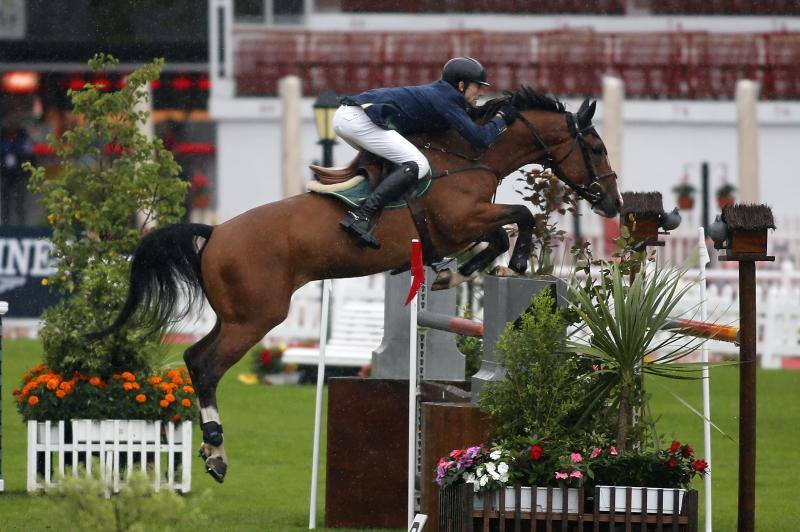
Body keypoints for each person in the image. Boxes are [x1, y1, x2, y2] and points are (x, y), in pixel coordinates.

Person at [333, 57, 519, 249]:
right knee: (418, 165)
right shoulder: (446, 100)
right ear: (461, 85)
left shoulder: (444, 96)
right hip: (356, 120)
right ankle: (361, 216)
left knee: (401, 164)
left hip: (350, 117)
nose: (481, 91)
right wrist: (501, 119)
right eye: (478, 86)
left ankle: (387, 219)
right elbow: (480, 139)